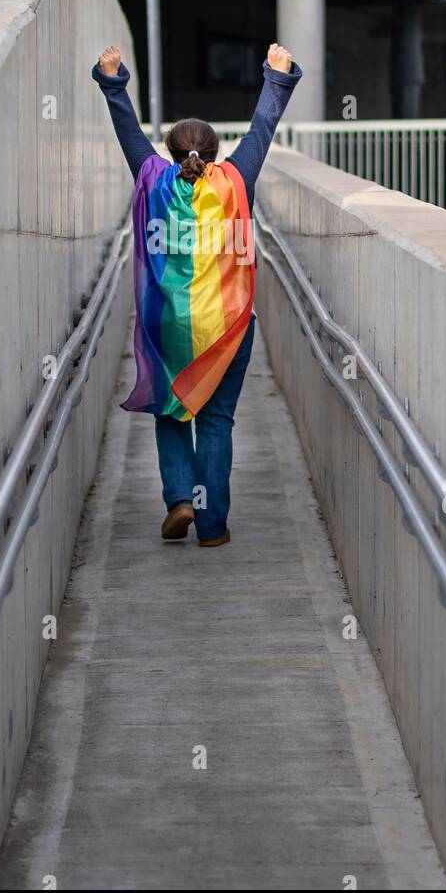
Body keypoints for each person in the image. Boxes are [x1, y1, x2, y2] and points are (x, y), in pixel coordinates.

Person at [92, 43, 302, 547]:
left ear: (169, 152)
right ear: (213, 154)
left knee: (171, 410)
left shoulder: (153, 180)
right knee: (216, 420)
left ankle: (180, 498)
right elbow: (262, 130)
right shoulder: (236, 179)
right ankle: (211, 526)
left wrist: (114, 81)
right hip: (227, 327)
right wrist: (275, 76)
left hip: (168, 325)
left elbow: (127, 134)